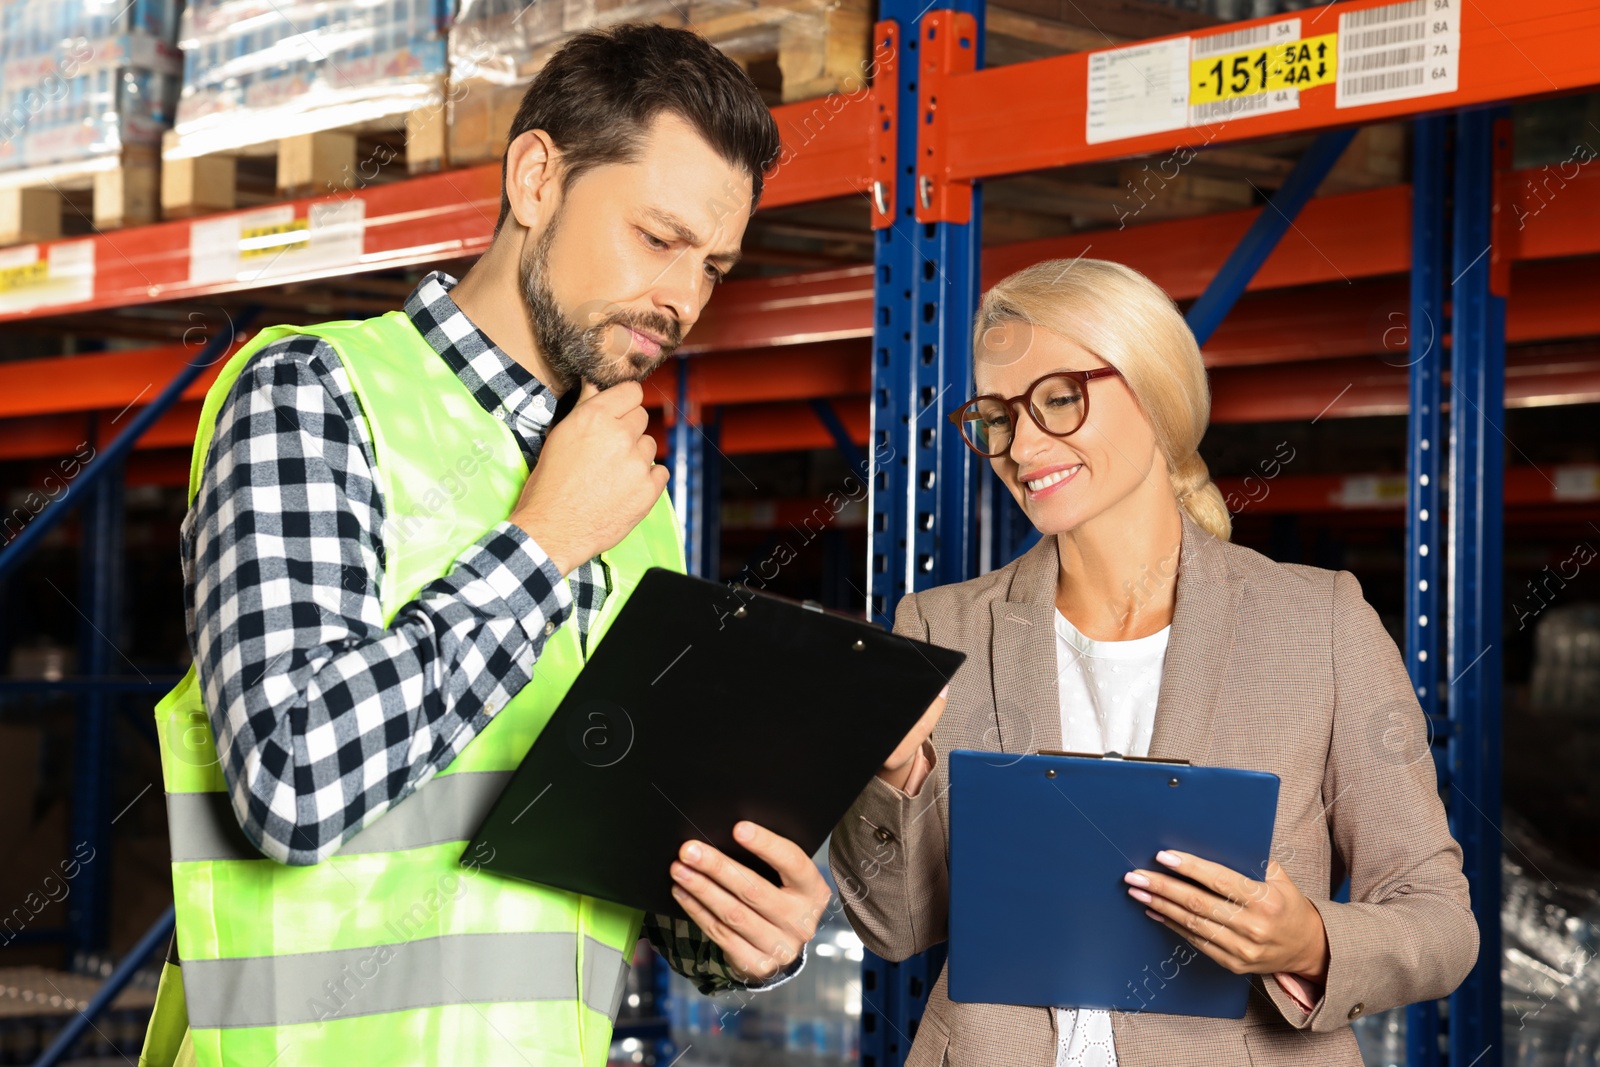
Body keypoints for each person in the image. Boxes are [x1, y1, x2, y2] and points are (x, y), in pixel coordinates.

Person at [141, 24, 845, 1067]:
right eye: (657, 238)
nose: (684, 298)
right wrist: (541, 542)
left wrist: (742, 931)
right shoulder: (314, 396)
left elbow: (622, 856)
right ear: (535, 179)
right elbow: (288, 782)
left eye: (714, 263)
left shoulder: (633, 497)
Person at [829, 258, 1478, 1066]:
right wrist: (891, 777)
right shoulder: (942, 624)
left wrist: (1308, 939)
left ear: (1154, 389)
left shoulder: (1320, 624)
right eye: (996, 415)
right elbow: (896, 926)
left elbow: (1439, 918)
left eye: (1059, 398)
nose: (1022, 444)